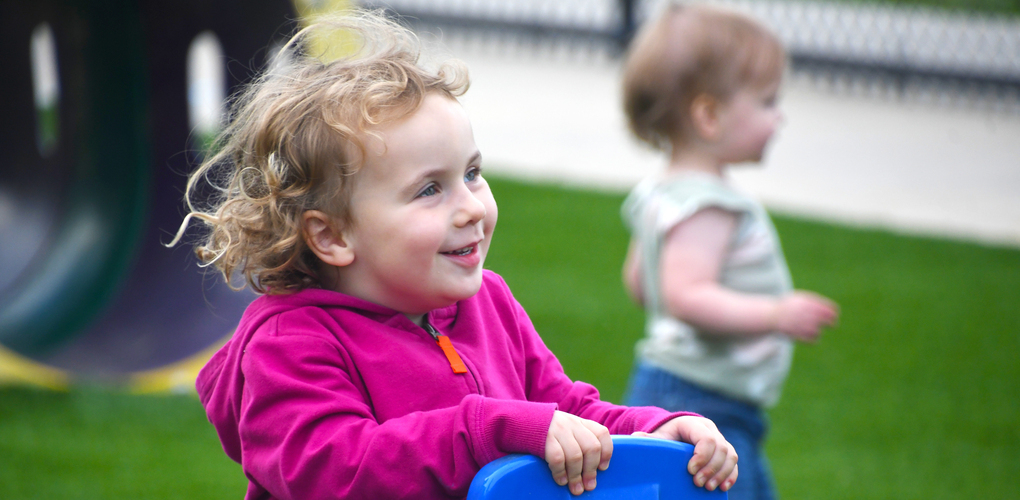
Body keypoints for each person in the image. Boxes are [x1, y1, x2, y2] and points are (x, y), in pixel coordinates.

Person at [169, 10, 737, 500]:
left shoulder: (490, 302)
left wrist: (659, 426)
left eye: (472, 173)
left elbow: (568, 409)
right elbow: (340, 473)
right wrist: (487, 428)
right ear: (332, 237)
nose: (470, 207)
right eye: (429, 189)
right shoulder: (291, 344)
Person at [618, 5, 839, 500]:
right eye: (766, 101)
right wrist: (773, 313)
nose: (779, 116)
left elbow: (641, 283)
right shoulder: (709, 203)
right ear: (709, 115)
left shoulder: (663, 192)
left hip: (673, 389)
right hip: (703, 403)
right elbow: (684, 296)